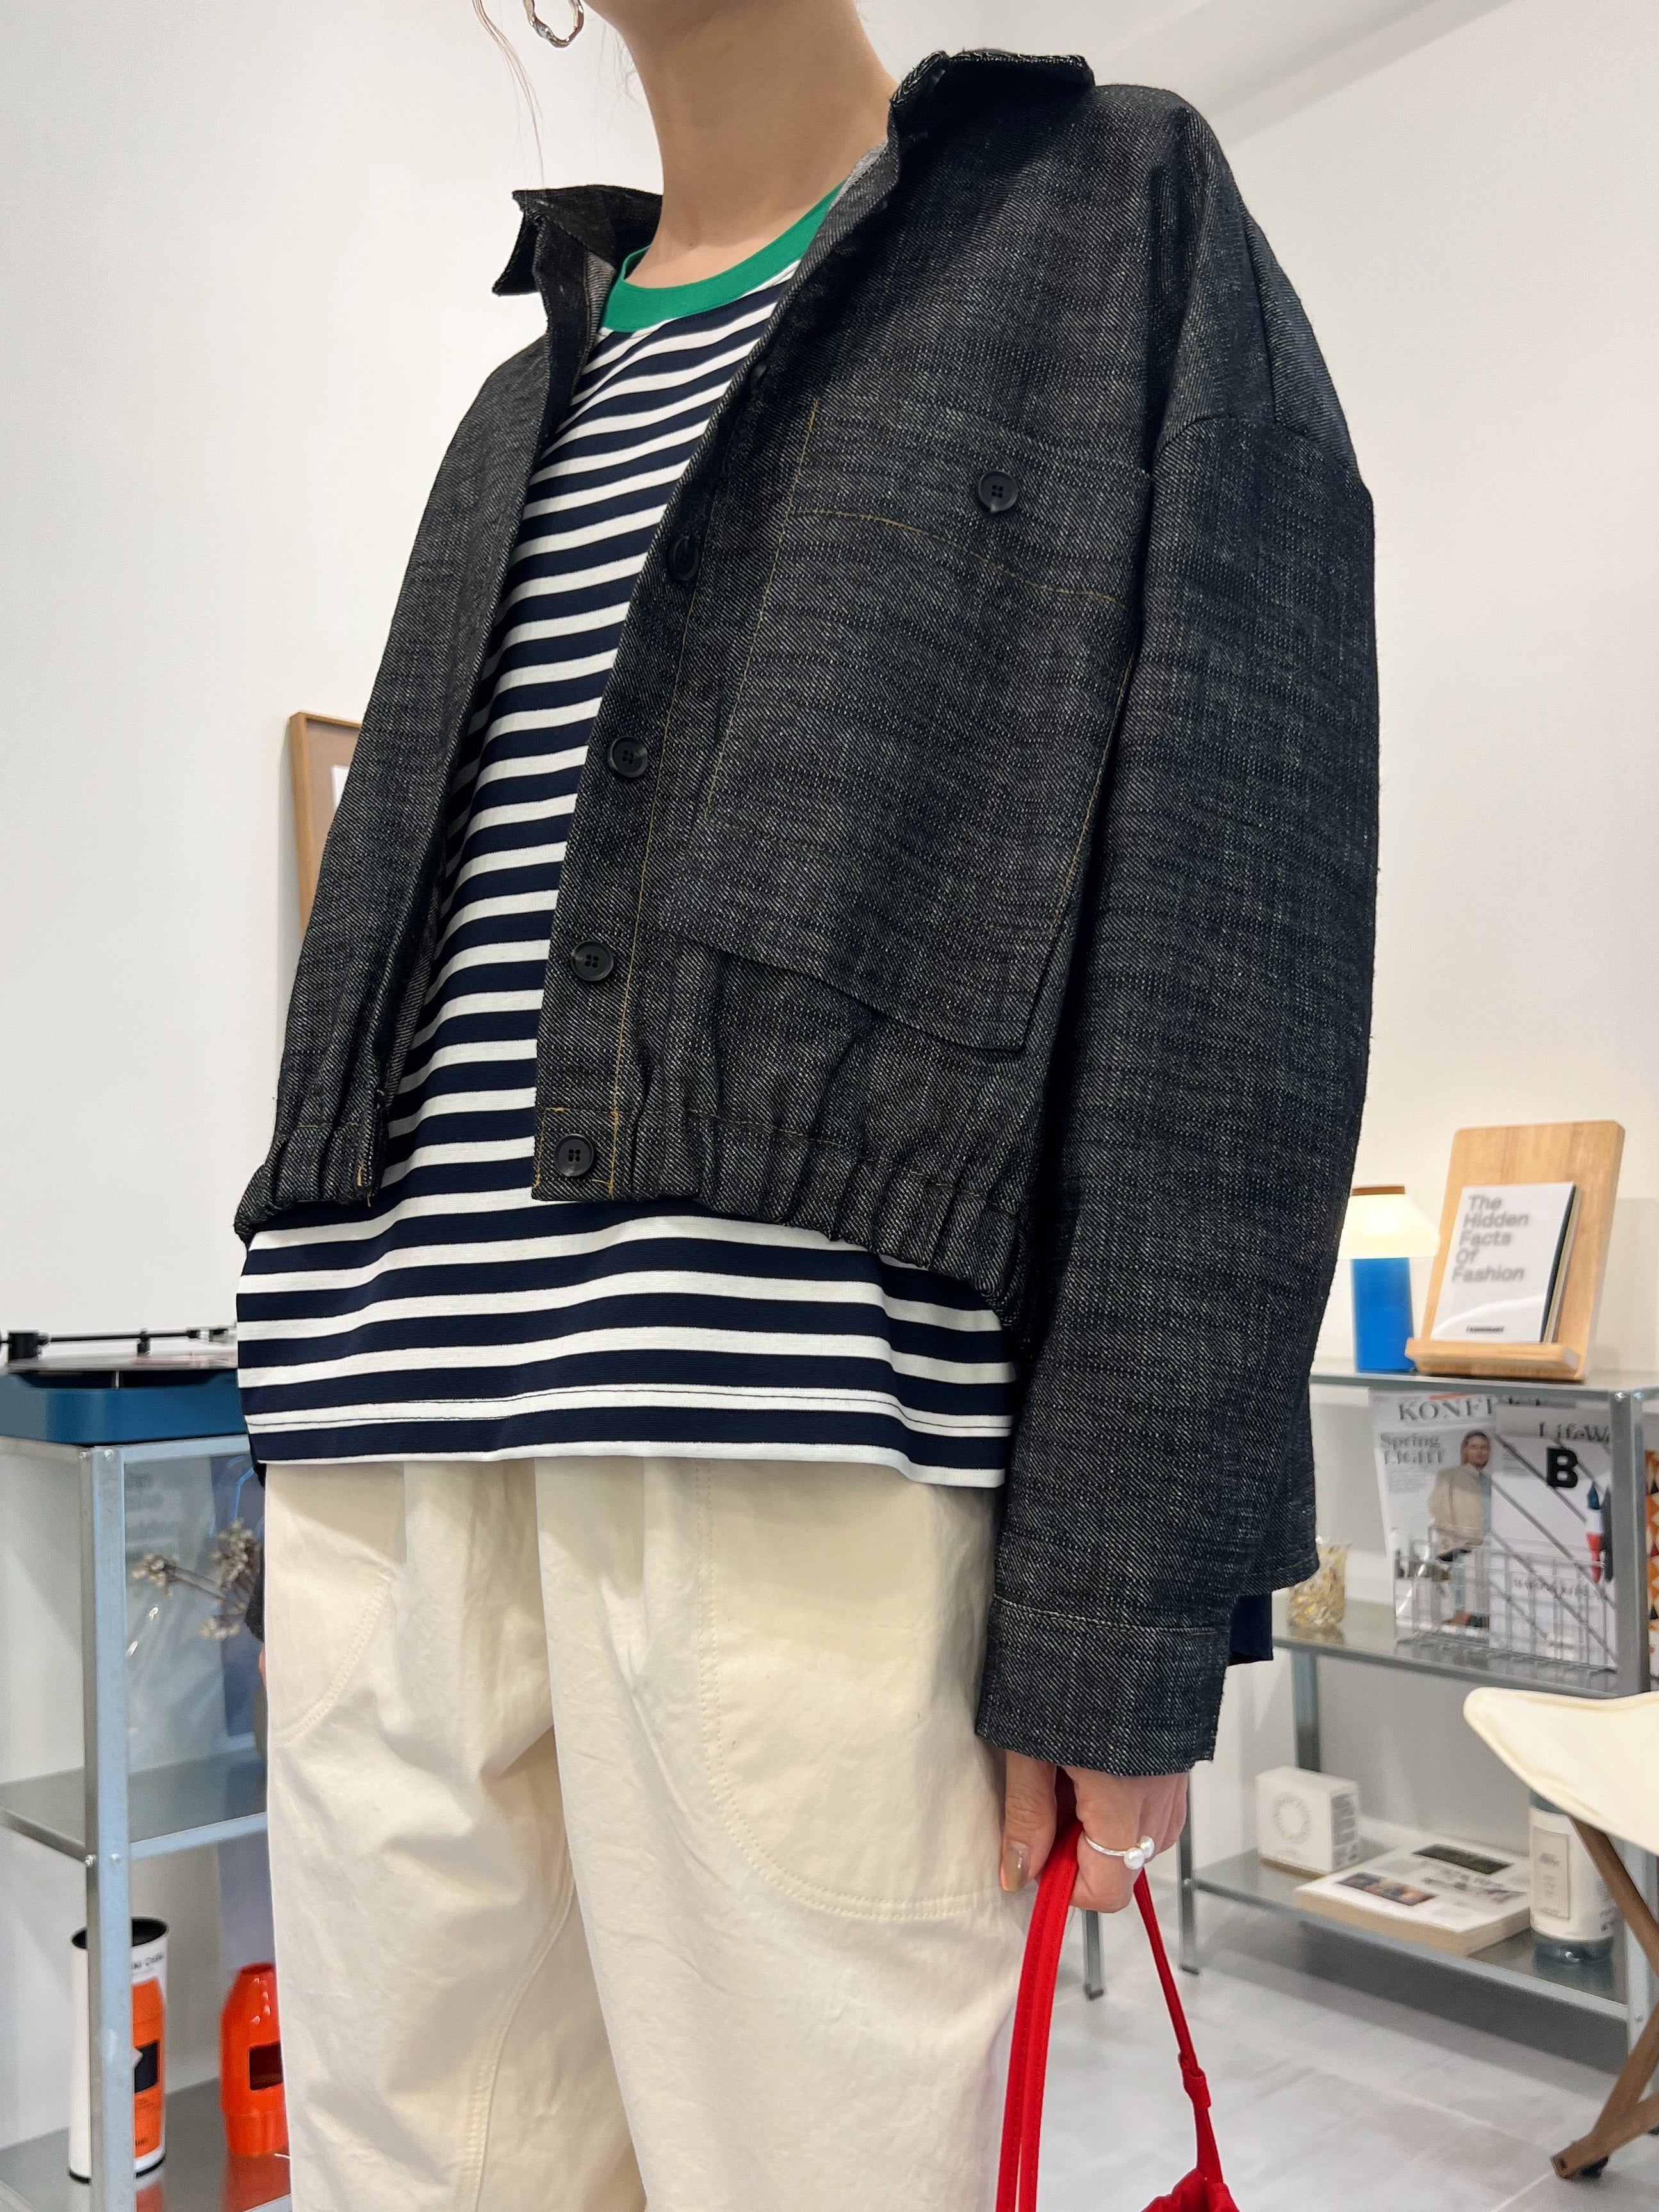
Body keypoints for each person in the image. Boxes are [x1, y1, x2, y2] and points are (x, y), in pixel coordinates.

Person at [234, 4, 1378, 2206]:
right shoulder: (516, 403)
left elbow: (1237, 937)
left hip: (795, 1509)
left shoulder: (1105, 221)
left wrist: (1123, 1603)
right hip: (385, 1481)